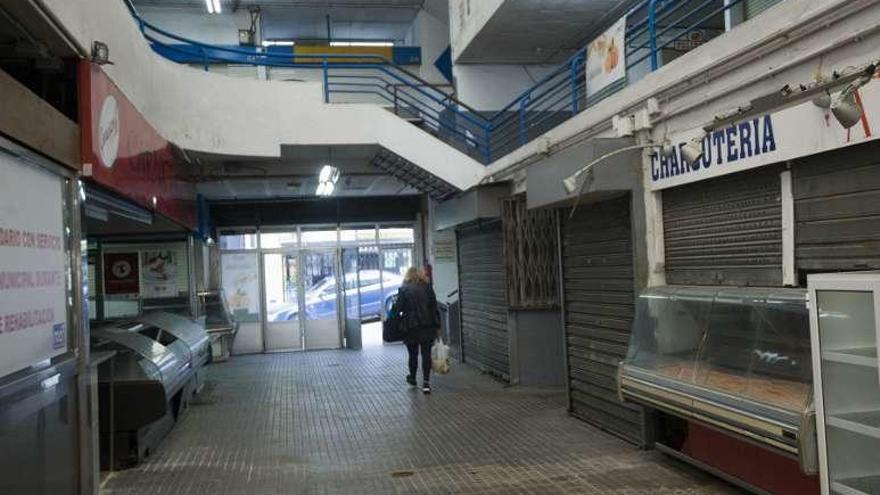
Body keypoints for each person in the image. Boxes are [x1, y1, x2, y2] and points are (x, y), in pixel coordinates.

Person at [396, 266, 440, 394]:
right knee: (426, 355)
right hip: (427, 325)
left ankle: (413, 378)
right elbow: (434, 307)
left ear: (408, 275)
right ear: (421, 275)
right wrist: (437, 326)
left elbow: (398, 308)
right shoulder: (427, 287)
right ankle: (426, 383)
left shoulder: (404, 289)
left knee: (413, 354)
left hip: (411, 327)